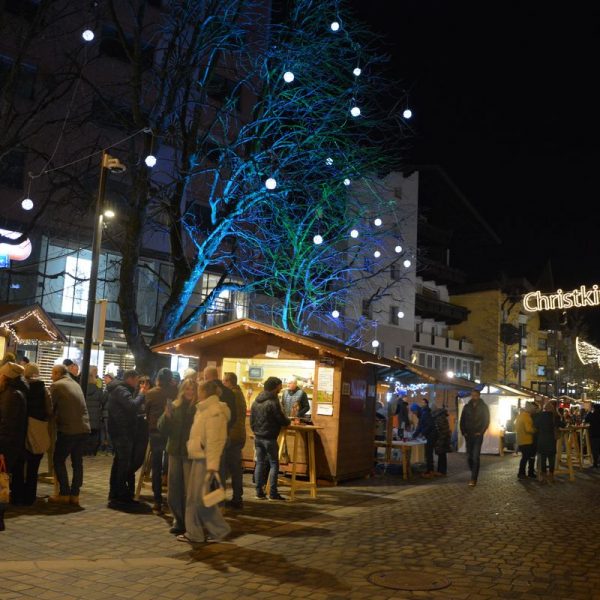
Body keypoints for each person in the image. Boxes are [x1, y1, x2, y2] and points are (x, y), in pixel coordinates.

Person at [178, 380, 230, 544]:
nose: (196, 392)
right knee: (196, 497)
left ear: (205, 392)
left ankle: (207, 531)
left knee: (197, 498)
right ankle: (201, 532)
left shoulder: (214, 412)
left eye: (199, 389)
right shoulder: (204, 409)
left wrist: (212, 467)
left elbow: (215, 441)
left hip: (205, 460)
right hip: (199, 457)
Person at [157, 377, 197, 535]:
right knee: (174, 487)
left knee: (189, 489)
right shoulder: (174, 406)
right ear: (182, 390)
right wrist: (166, 416)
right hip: (174, 451)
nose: (189, 392)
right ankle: (178, 520)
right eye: (187, 389)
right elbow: (162, 429)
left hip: (190, 453)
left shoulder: (198, 408)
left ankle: (190, 520)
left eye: (192, 389)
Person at [49, 364, 91, 505]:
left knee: (58, 460)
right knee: (77, 462)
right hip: (84, 428)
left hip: (68, 429)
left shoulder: (57, 386)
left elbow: (50, 408)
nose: (51, 376)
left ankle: (64, 493)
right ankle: (75, 494)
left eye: (52, 373)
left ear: (57, 373)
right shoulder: (75, 384)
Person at [12, 363, 52, 505]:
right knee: (33, 466)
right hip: (37, 429)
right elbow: (49, 410)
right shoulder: (43, 389)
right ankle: (30, 497)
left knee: (18, 465)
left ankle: (17, 496)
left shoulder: (20, 388)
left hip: (21, 430)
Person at [106, 369, 142, 509]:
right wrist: (142, 394)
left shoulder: (119, 389)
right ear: (131, 379)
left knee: (119, 462)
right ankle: (120, 494)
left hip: (119, 431)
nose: (138, 384)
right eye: (137, 380)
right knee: (123, 464)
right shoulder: (121, 390)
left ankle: (115, 492)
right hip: (122, 432)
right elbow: (132, 406)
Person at [250, 376, 290, 500]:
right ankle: (273, 493)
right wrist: (288, 422)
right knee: (274, 464)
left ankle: (259, 492)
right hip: (270, 437)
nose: (281, 388)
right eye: (279, 386)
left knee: (260, 463)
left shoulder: (256, 401)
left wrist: (256, 431)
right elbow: (281, 419)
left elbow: (251, 420)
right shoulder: (273, 401)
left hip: (258, 437)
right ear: (274, 387)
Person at [0, 362, 27, 531]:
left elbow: (7, 426)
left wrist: (2, 450)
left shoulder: (11, 396)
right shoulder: (15, 393)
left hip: (6, 447)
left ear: (6, 377)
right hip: (10, 445)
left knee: (1, 484)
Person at [145, 368, 176, 514]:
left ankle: (157, 500)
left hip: (155, 432)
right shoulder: (173, 392)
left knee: (156, 466)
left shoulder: (151, 393)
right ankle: (172, 499)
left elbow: (146, 411)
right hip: (170, 432)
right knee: (171, 465)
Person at [222, 372, 247, 509]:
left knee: (234, 469)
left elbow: (230, 417)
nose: (223, 383)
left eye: (224, 381)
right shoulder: (239, 393)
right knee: (235, 468)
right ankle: (237, 497)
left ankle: (237, 499)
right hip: (238, 435)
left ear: (230, 381)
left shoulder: (233, 395)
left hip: (233, 436)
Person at [459, 389, 490, 487]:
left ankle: (473, 478)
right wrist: (464, 432)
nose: (474, 397)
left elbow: (486, 420)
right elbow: (462, 420)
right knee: (469, 457)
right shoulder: (467, 407)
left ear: (479, 396)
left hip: (477, 435)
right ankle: (474, 470)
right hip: (468, 435)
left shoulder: (484, 407)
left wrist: (481, 432)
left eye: (475, 395)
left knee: (475, 457)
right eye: (472, 395)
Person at [534, 400, 560, 483]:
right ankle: (551, 476)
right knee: (551, 458)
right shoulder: (555, 416)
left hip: (541, 440)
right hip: (551, 440)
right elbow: (561, 424)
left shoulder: (540, 415)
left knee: (543, 459)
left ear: (545, 408)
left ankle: (543, 476)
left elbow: (536, 425)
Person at [410, 400, 437, 477]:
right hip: (430, 435)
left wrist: (422, 433)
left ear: (416, 410)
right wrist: (414, 436)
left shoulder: (425, 414)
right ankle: (430, 470)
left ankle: (429, 471)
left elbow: (429, 425)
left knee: (429, 453)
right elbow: (419, 427)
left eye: (413, 412)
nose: (413, 414)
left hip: (432, 435)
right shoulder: (422, 414)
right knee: (428, 453)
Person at [84, 366, 104, 456]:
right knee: (94, 434)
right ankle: (92, 451)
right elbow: (102, 400)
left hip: (85, 414)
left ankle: (85, 451)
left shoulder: (82, 389)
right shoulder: (98, 389)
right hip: (95, 415)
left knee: (85, 433)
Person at [514, 403, 537, 480]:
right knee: (525, 458)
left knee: (524, 457)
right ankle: (521, 473)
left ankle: (522, 473)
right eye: (534, 409)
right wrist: (535, 430)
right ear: (531, 409)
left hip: (521, 439)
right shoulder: (527, 417)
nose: (535, 411)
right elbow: (528, 429)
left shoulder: (520, 416)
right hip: (527, 440)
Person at [431, 404, 452, 475]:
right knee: (442, 454)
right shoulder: (441, 416)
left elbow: (442, 430)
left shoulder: (439, 418)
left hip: (442, 438)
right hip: (443, 438)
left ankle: (441, 471)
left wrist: (439, 439)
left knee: (441, 454)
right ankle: (441, 471)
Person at [585, 403, 600, 468]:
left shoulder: (592, 414)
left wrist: (589, 411)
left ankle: (595, 463)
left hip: (594, 434)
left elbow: (586, 420)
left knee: (595, 449)